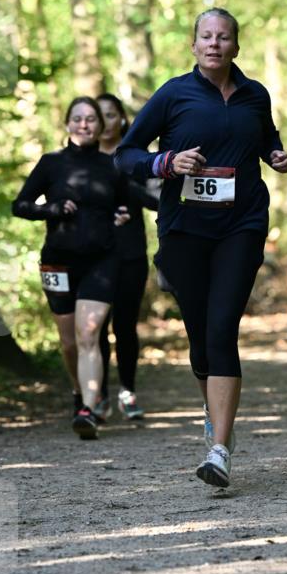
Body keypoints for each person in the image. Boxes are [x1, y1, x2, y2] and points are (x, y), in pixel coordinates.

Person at [115, 8, 287, 488]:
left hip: (243, 224)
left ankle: (219, 450)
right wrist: (167, 161)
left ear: (237, 46)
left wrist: (276, 155)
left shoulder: (256, 94)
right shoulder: (174, 94)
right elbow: (126, 155)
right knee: (200, 340)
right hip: (185, 231)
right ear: (193, 45)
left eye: (224, 37)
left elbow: (267, 139)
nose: (215, 44)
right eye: (206, 37)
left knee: (221, 328)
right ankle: (217, 421)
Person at [12, 97, 130, 440]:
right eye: (77, 118)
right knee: (68, 343)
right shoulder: (51, 164)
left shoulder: (113, 166)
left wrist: (120, 214)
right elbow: (19, 205)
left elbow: (122, 204)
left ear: (101, 125)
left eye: (91, 118)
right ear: (67, 124)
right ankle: (79, 393)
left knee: (88, 335)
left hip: (101, 260)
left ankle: (88, 411)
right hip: (58, 261)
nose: (84, 124)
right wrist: (50, 209)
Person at [96, 93, 159, 422]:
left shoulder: (135, 158)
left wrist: (128, 192)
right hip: (91, 256)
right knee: (96, 327)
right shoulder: (83, 159)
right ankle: (100, 396)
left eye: (111, 114)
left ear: (122, 119)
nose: (105, 122)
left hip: (131, 252)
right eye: (99, 115)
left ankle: (128, 392)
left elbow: (157, 200)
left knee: (125, 326)